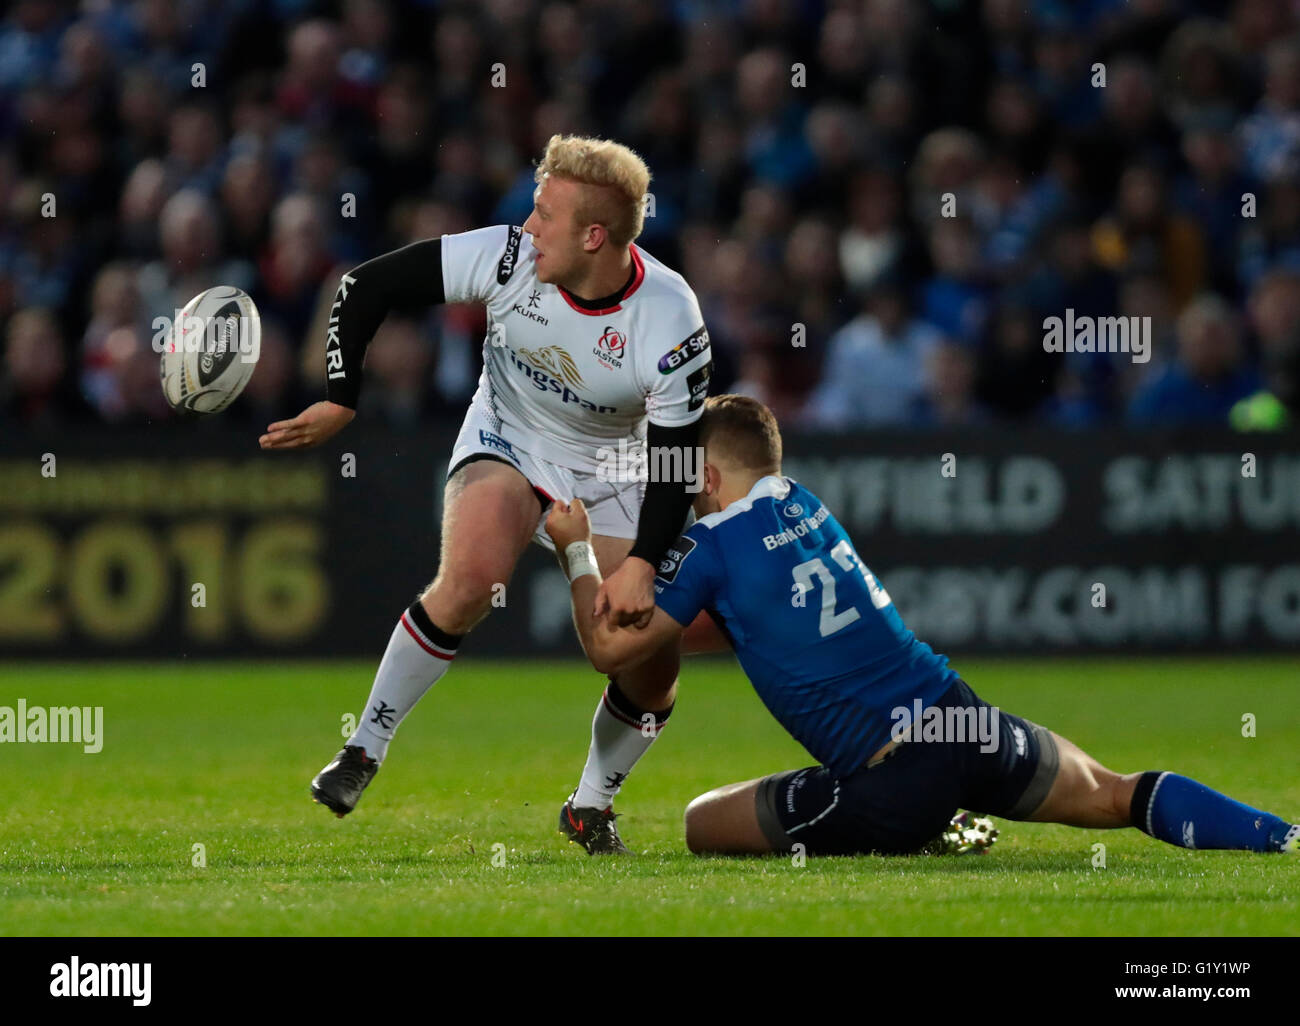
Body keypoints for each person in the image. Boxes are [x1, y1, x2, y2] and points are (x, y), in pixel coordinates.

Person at [545, 394, 1300, 858]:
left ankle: (926, 826)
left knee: (701, 823)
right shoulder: (807, 506)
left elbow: (605, 650)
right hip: (962, 720)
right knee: (1113, 793)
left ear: (706, 476)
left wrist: (576, 549)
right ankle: (1282, 835)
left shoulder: (710, 545)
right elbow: (765, 622)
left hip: (888, 779)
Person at [260, 135, 713, 854]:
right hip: (509, 436)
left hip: (616, 470)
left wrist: (640, 561)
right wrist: (341, 399)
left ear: (594, 236)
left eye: (545, 215)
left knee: (651, 656)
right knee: (471, 580)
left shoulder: (668, 318)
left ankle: (590, 805)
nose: (528, 226)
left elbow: (677, 463)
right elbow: (362, 288)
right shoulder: (506, 257)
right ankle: (364, 749)